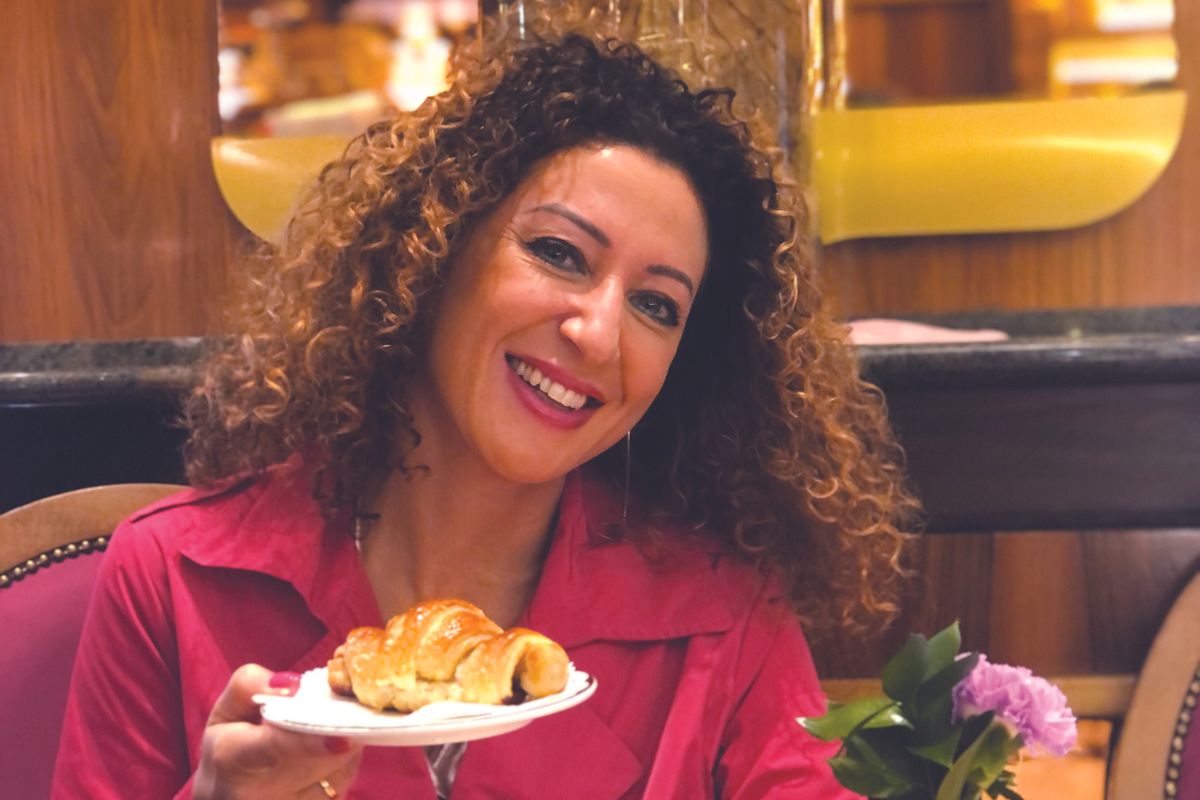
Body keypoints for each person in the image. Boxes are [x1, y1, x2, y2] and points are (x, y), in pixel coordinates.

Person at [52, 33, 916, 799]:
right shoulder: (174, 578)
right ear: (431, 248)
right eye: (558, 253)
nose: (600, 332)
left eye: (657, 306)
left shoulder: (725, 614)